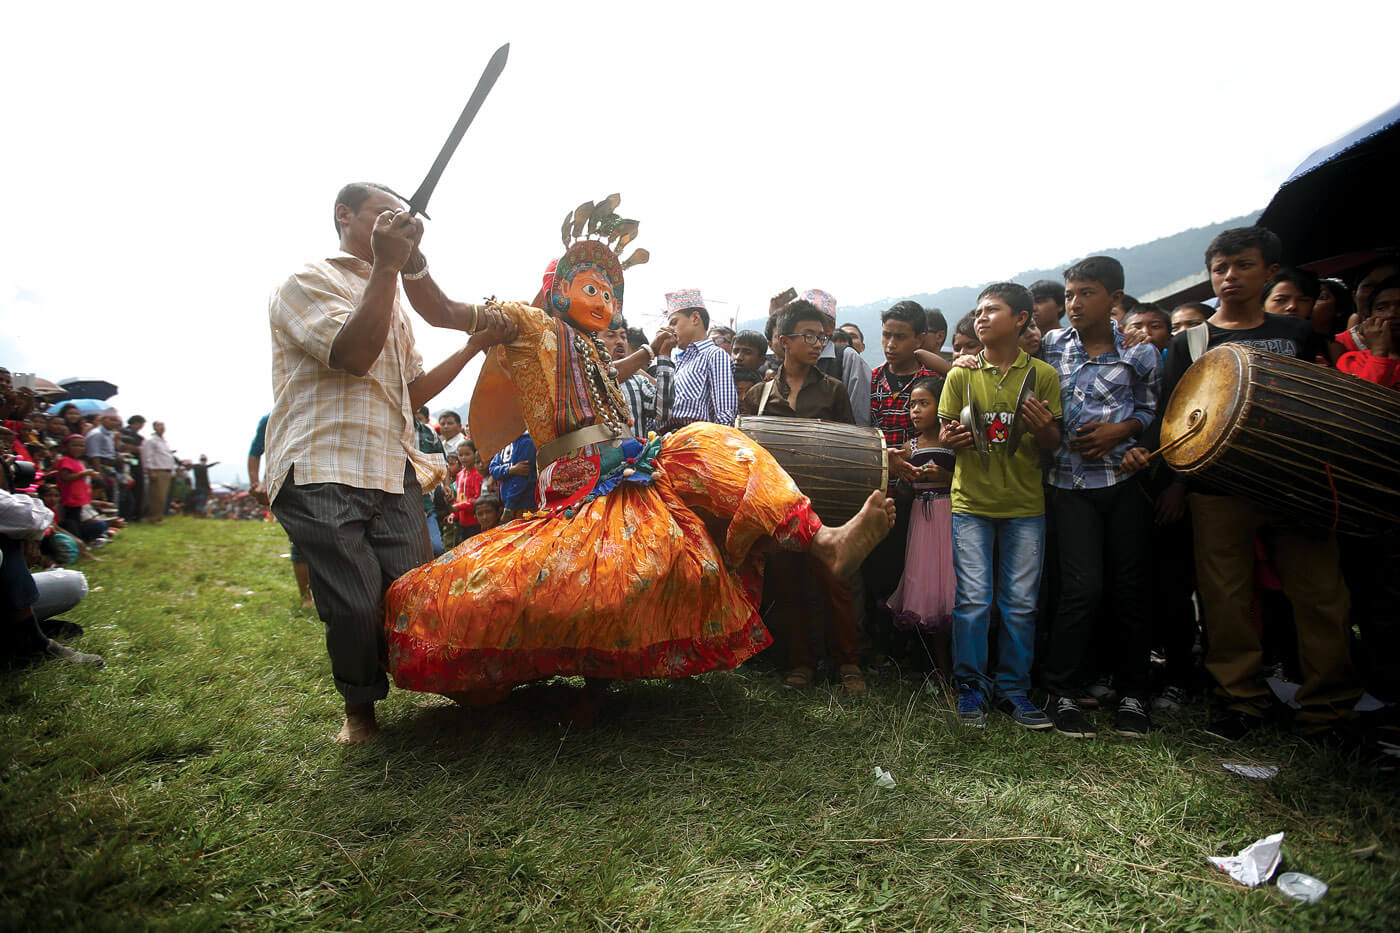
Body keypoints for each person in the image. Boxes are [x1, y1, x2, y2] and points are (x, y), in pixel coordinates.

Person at [385, 202, 895, 712]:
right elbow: (442, 311)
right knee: (576, 586)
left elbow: (612, 375)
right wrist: (411, 260)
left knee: (716, 446)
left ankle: (823, 540)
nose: (603, 301)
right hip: (575, 489)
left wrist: (649, 353)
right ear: (558, 291)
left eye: (610, 294)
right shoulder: (529, 324)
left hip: (633, 468)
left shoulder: (592, 349)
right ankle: (577, 678)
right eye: (591, 288)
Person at [264, 181, 514, 744]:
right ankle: (359, 710)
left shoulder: (392, 299)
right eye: (384, 214)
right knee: (353, 602)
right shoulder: (306, 280)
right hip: (321, 465)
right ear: (344, 215)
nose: (400, 223)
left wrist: (473, 346)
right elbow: (354, 355)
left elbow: (413, 391)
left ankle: (439, 676)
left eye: (404, 217)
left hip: (391, 467)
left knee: (414, 591)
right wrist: (386, 268)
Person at [1135, 226, 1359, 741]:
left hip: (1297, 483)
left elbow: (1326, 403)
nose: (1230, 277)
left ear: (1270, 271)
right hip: (1218, 487)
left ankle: (1328, 710)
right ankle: (1242, 700)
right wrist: (1176, 484)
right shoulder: (1191, 341)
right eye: (1220, 269)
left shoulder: (1298, 333)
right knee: (1225, 599)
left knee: (1321, 596)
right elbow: (1175, 417)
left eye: (1243, 266)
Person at [1039, 257, 1161, 739]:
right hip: (1068, 485)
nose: (1074, 303)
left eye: (1086, 293)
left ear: (1114, 299)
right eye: (1070, 294)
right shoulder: (1052, 344)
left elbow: (1151, 409)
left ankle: (1133, 694)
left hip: (1122, 482)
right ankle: (1062, 691)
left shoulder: (1140, 352)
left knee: (1129, 588)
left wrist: (1123, 430)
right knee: (1081, 588)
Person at [937, 283, 1063, 730]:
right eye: (978, 312)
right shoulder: (961, 375)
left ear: (1022, 319)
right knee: (973, 600)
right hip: (971, 502)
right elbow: (945, 435)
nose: (981, 318)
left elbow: (1052, 443)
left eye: (992, 310)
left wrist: (1044, 428)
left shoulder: (1043, 375)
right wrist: (950, 439)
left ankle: (1014, 690)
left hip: (1025, 505)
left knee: (1020, 604)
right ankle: (971, 689)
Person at [740, 299, 865, 693]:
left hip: (827, 505)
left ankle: (848, 662)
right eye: (809, 336)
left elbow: (850, 450)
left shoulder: (833, 390)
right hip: (780, 508)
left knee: (836, 582)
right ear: (783, 341)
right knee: (789, 584)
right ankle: (801, 662)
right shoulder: (758, 395)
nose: (817, 344)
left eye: (821, 338)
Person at [864, 300, 941, 668]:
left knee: (914, 568)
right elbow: (864, 430)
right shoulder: (873, 378)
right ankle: (882, 645)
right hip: (879, 489)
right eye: (886, 335)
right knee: (879, 567)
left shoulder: (932, 381)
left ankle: (913, 650)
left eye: (900, 336)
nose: (891, 344)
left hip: (921, 493)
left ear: (920, 339)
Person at [882, 376, 956, 676]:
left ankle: (954, 667)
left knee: (949, 581)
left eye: (924, 403)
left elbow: (970, 478)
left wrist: (946, 477)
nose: (915, 410)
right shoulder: (909, 447)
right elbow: (900, 483)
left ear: (942, 406)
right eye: (912, 404)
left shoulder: (953, 442)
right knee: (926, 583)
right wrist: (905, 475)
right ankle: (936, 666)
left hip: (949, 515)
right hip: (921, 520)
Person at [248, 413, 313, 609]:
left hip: (321, 478)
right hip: (287, 482)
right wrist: (256, 483)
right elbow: (255, 452)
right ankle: (306, 597)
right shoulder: (270, 418)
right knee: (299, 539)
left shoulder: (315, 409)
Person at [658, 290, 737, 429]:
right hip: (668, 438)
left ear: (695, 318)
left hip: (698, 438)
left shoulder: (714, 355)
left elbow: (725, 415)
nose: (669, 330)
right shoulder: (676, 363)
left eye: (674, 323)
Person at [804, 289, 874, 426]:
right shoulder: (791, 356)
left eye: (820, 320)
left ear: (831, 326)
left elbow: (859, 415)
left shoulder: (847, 357)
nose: (813, 327)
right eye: (806, 320)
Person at [1335, 274, 1400, 389]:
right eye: (1381, 308)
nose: (1392, 314)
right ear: (1369, 319)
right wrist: (1379, 352)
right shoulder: (1352, 361)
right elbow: (1363, 398)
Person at [487, 431, 537, 515]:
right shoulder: (504, 443)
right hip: (508, 504)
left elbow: (521, 478)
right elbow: (492, 469)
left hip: (524, 505)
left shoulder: (526, 442)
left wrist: (509, 507)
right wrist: (510, 470)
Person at [140, 421, 176, 523]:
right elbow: (147, 456)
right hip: (157, 470)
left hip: (166, 470)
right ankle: (153, 517)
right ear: (154, 427)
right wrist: (150, 470)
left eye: (163, 426)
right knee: (157, 496)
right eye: (159, 426)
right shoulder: (151, 441)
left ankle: (159, 517)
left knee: (163, 496)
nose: (162, 428)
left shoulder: (164, 441)